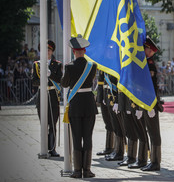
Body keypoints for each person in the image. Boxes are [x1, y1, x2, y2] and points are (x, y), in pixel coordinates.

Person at [61, 35, 98, 178]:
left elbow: (64, 84)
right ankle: (87, 170)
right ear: (84, 51)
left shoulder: (69, 66)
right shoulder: (92, 66)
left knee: (76, 137)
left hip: (75, 105)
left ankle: (77, 170)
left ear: (74, 51)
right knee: (87, 137)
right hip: (89, 104)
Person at [32, 40, 62, 157]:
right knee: (43, 122)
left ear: (52, 51)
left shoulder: (57, 64)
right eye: (45, 50)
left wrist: (51, 75)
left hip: (53, 95)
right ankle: (44, 147)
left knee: (53, 123)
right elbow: (33, 81)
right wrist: (42, 80)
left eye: (49, 50)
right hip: (42, 94)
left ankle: (53, 148)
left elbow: (60, 80)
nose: (47, 52)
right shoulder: (36, 64)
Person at [141, 36, 163, 171]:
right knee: (150, 131)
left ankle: (156, 162)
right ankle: (152, 160)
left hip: (151, 102)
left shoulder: (149, 64)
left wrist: (152, 103)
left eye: (145, 49)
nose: (144, 51)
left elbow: (150, 86)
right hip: (147, 101)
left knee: (154, 133)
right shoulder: (146, 62)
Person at [96, 70, 114, 157]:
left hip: (112, 95)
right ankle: (109, 147)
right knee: (107, 122)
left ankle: (115, 148)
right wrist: (100, 97)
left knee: (115, 124)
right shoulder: (102, 64)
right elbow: (100, 82)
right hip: (104, 94)